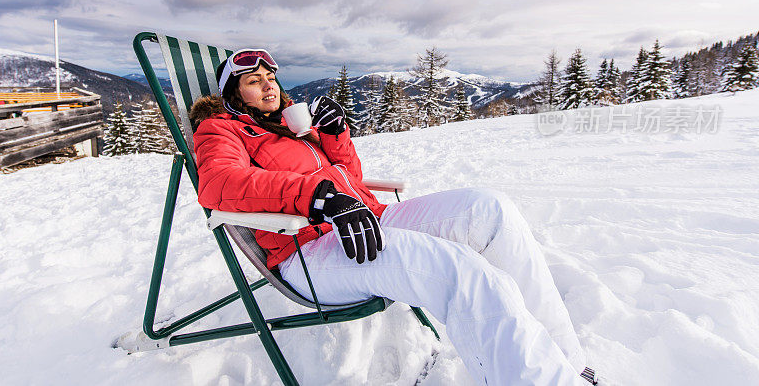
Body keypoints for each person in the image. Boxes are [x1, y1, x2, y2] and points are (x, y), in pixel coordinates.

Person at [191, 48, 600, 386]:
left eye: (271, 77)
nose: (268, 85)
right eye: (253, 80)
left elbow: (349, 177)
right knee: (462, 271)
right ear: (233, 95)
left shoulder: (291, 127)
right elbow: (219, 182)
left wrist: (335, 136)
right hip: (308, 249)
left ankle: (568, 362)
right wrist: (318, 196)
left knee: (489, 210)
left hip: (367, 219)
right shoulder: (221, 129)